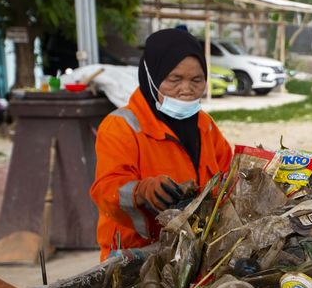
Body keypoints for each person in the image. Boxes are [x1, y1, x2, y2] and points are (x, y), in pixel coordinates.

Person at [90, 29, 232, 260]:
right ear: (151, 77)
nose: (186, 89)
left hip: (193, 252)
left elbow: (229, 177)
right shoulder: (121, 126)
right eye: (175, 79)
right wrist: (141, 191)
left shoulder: (205, 126)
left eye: (196, 80)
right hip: (134, 256)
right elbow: (105, 191)